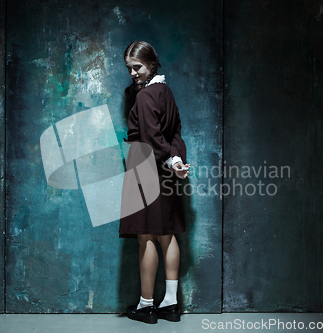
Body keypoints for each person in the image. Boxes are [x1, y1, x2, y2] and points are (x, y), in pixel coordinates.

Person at [119, 41, 190, 324]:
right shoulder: (167, 93)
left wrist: (166, 159)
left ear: (151, 64)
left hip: (145, 166)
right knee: (167, 233)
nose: (133, 73)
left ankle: (147, 305)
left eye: (137, 67)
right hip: (166, 170)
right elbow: (175, 135)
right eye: (129, 69)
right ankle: (171, 304)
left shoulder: (145, 97)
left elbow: (149, 139)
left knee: (146, 235)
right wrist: (175, 161)